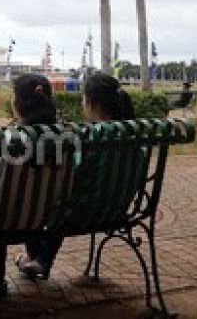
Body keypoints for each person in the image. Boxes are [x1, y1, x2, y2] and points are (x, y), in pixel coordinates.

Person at [16, 72, 134, 280]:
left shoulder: (94, 136)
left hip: (85, 210)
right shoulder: (133, 133)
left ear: (92, 103)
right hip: (118, 209)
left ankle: (40, 259)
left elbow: (76, 175)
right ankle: (34, 258)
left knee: (38, 202)